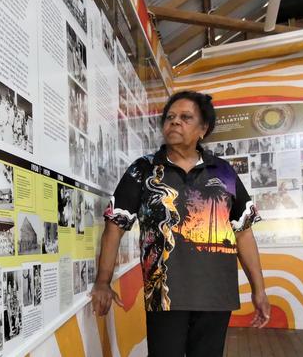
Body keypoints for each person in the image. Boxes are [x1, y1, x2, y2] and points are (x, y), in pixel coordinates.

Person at [91, 91, 270, 357]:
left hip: (216, 295)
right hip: (164, 294)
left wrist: (259, 290)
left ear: (203, 129)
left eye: (186, 117)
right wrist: (102, 282)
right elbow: (114, 226)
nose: (175, 122)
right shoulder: (143, 170)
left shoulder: (223, 171)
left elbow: (243, 233)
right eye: (170, 117)